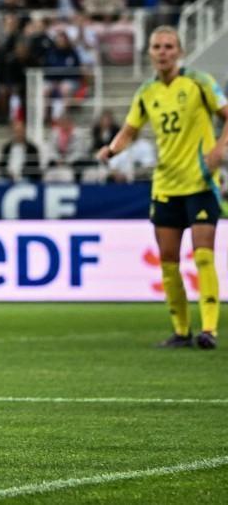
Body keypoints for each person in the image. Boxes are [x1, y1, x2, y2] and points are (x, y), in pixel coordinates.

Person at [98, 26, 227, 349]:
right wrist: (111, 150)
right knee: (168, 261)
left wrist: (220, 149)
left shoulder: (200, 82)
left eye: (169, 46)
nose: (163, 52)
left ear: (179, 51)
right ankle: (181, 331)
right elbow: (129, 130)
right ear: (150, 53)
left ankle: (209, 330)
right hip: (166, 185)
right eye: (157, 47)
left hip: (200, 182)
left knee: (202, 254)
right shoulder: (146, 92)